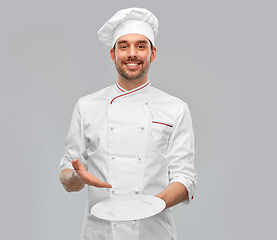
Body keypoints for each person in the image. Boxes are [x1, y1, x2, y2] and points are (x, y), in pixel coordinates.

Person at [59, 7, 197, 240]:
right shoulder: (87, 106)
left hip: (154, 233)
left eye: (141, 46)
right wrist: (77, 177)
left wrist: (150, 206)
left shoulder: (176, 108)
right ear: (113, 54)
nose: (132, 53)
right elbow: (67, 177)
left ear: (152, 54)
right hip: (101, 233)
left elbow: (185, 180)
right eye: (123, 46)